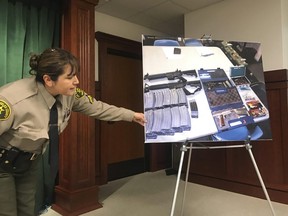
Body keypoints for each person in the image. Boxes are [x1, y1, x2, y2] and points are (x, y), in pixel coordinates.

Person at [0, 48, 146, 216]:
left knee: (27, 209)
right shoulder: (11, 100)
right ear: (48, 79)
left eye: (75, 75)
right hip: (2, 165)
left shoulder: (69, 94)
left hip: (29, 162)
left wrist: (132, 116)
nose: (76, 81)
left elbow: (97, 107)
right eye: (69, 77)